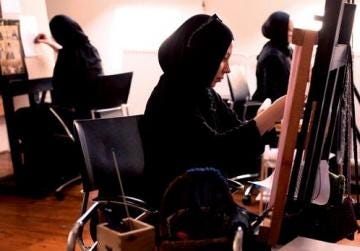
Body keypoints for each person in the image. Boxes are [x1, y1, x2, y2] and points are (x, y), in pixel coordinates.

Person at [142, 14, 286, 208]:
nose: (227, 69)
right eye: (223, 59)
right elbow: (217, 152)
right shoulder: (173, 95)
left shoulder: (203, 91)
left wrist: (265, 125)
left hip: (201, 193)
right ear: (203, 57)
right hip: (177, 202)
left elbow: (236, 135)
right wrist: (270, 116)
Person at [34, 14, 103, 120]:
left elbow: (57, 85)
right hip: (92, 113)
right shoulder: (90, 49)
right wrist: (48, 42)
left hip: (71, 114)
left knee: (23, 114)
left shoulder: (67, 55)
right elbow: (68, 51)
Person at [252, 11, 293, 102]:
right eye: (289, 30)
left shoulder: (281, 49)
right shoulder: (272, 56)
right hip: (266, 107)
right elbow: (272, 94)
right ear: (280, 30)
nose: (292, 33)